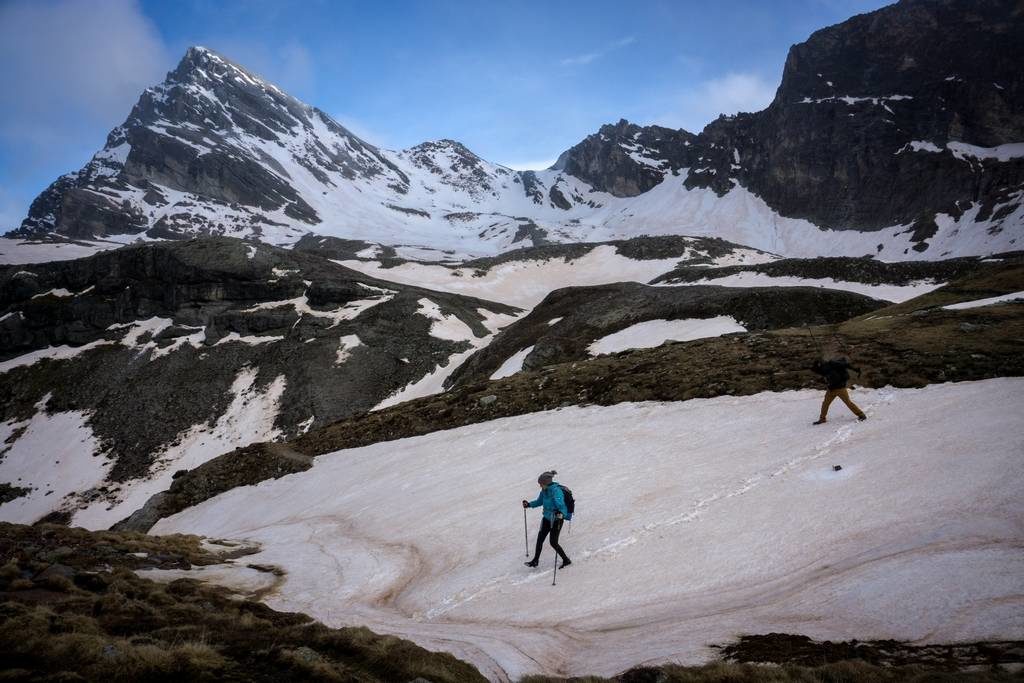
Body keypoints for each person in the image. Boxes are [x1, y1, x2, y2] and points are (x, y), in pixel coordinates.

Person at [522, 470, 572, 569]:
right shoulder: (544, 491)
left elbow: (562, 506)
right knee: (540, 539)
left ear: (546, 483)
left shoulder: (556, 492)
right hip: (546, 518)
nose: (540, 486)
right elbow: (539, 501)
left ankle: (566, 560)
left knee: (553, 542)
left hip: (556, 520)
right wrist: (529, 505)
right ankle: (535, 561)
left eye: (541, 484)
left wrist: (561, 514)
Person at [811, 357, 867, 424]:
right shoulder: (825, 369)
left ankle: (861, 415)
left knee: (848, 402)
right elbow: (817, 370)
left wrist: (855, 369)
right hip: (832, 389)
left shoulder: (831, 366)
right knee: (825, 404)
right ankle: (822, 419)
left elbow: (844, 367)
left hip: (839, 389)